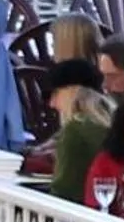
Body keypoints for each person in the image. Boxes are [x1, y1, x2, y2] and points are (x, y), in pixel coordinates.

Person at [43, 61, 111, 200]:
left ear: (72, 92)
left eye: (55, 93)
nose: (52, 104)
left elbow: (64, 190)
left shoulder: (75, 130)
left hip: (82, 208)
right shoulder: (114, 119)